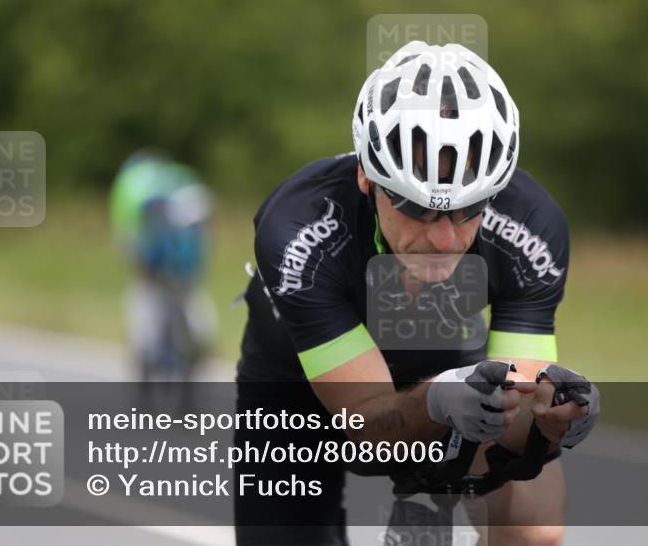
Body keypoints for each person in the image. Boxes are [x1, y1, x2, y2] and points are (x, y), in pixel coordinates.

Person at [235, 41, 599, 545]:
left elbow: (521, 415)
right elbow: (363, 424)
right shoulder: (298, 230)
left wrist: (549, 421)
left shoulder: (532, 227)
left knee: (534, 529)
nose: (445, 240)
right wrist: (433, 402)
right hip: (300, 383)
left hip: (448, 353)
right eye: (416, 208)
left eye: (468, 209)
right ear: (367, 176)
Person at [109, 150, 217, 385]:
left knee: (145, 315)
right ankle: (186, 360)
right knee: (194, 319)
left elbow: (126, 238)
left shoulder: (135, 184)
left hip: (152, 272)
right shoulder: (183, 182)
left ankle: (146, 362)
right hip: (185, 276)